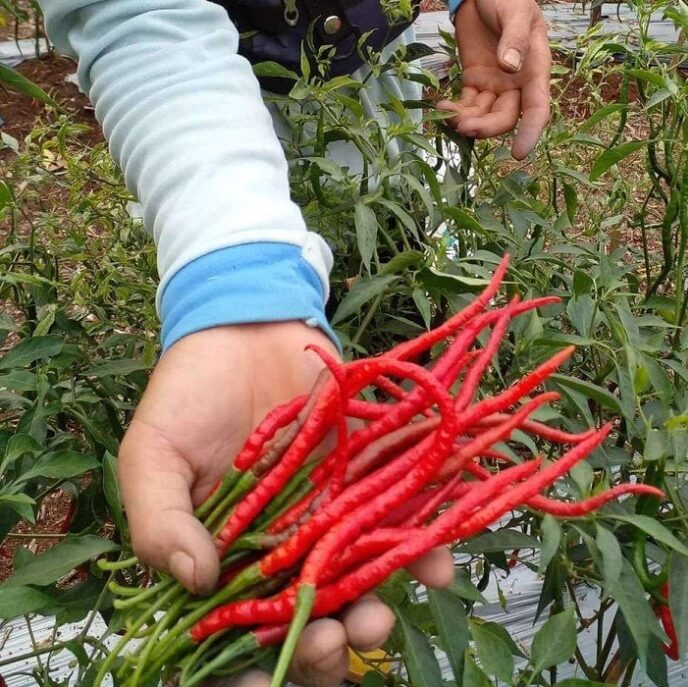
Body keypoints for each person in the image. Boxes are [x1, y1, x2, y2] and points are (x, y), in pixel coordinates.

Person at [37, 1, 551, 684]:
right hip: (212, 127)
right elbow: (141, 12)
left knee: (391, 331)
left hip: (369, 105)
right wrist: (235, 276)